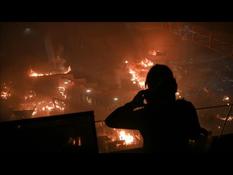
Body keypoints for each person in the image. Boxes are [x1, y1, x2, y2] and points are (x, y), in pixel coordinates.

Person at [105, 64, 207, 152]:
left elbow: (110, 120)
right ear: (174, 87)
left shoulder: (146, 115)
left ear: (149, 89)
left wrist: (133, 104)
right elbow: (195, 134)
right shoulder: (185, 107)